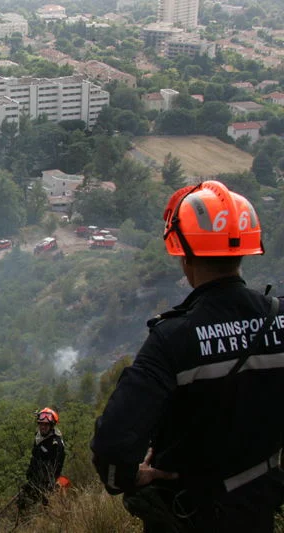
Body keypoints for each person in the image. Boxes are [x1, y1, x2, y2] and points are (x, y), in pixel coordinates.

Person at [91, 180, 284, 532]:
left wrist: (131, 478)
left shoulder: (172, 339)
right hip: (258, 510)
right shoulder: (279, 319)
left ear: (183, 251)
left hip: (189, 515)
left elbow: (113, 443)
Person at [17, 407, 66, 508]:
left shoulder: (56, 444)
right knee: (22, 504)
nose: (43, 427)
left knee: (45, 509)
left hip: (47, 484)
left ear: (51, 426)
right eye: (41, 424)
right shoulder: (38, 437)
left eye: (46, 425)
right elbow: (34, 458)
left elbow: (56, 467)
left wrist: (48, 485)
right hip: (34, 480)